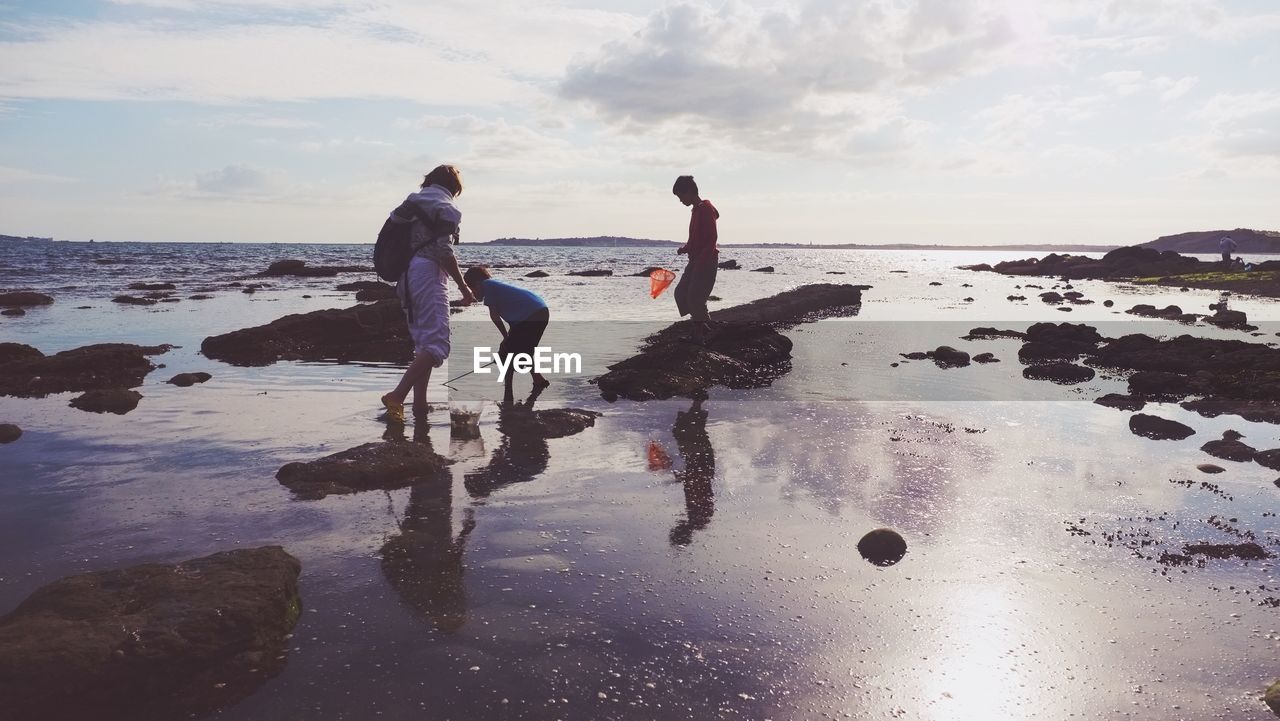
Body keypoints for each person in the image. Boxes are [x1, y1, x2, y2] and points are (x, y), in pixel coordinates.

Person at [381, 165, 476, 424]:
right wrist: (464, 287)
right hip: (428, 275)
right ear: (455, 187)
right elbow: (444, 252)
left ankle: (419, 406)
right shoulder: (448, 208)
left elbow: (397, 224)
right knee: (438, 346)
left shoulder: (412, 201)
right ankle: (397, 396)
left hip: (406, 274)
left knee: (424, 344)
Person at [463, 265, 551, 405]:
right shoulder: (495, 285)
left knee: (506, 352)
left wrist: (506, 337)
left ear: (478, 283)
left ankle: (508, 392)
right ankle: (538, 379)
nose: (471, 292)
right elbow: (514, 319)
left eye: (471, 288)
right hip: (539, 311)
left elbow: (494, 316)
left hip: (532, 314)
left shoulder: (488, 286)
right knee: (523, 349)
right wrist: (508, 336)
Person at [671, 175, 719, 344]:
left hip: (706, 261)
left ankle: (698, 333)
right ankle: (702, 324)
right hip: (695, 260)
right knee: (681, 293)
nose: (680, 200)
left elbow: (712, 239)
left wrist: (701, 263)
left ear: (690, 192)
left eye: (680, 196)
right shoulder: (696, 210)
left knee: (695, 297)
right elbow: (696, 239)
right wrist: (685, 249)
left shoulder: (705, 209)